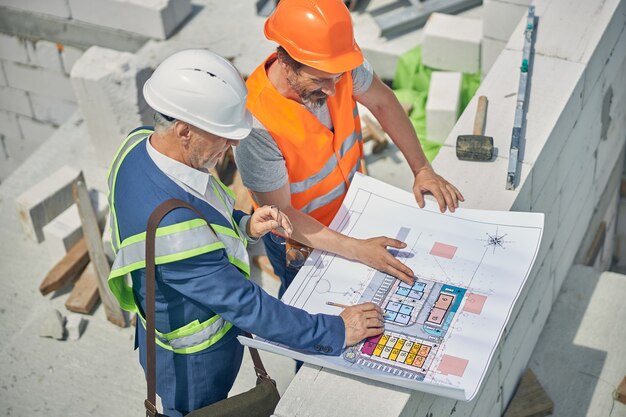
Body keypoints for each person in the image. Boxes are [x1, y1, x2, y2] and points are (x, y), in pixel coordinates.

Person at [106, 49, 384, 417]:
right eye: (223, 134)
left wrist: (244, 226)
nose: (234, 145)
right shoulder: (175, 230)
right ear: (184, 131)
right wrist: (335, 331)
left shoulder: (137, 146)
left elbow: (203, 215)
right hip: (195, 365)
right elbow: (249, 306)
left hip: (169, 329)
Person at [235, 0, 465, 296]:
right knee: (310, 313)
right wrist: (357, 250)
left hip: (353, 209)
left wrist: (422, 169)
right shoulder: (256, 125)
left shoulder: (336, 64)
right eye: (318, 80)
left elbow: (383, 102)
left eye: (337, 77)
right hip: (301, 240)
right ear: (285, 60)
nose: (333, 89)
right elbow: (284, 215)